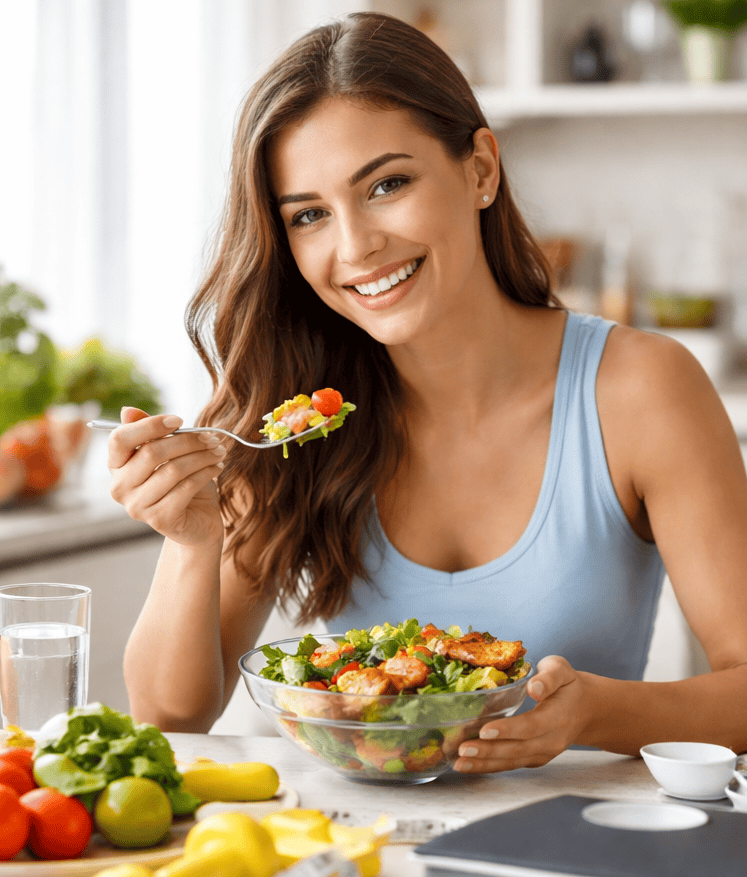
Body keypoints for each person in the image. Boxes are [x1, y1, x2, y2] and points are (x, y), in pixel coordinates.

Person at [108, 11, 747, 770]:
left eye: (386, 184)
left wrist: (594, 711)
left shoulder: (640, 388)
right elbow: (170, 712)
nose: (354, 247)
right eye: (309, 215)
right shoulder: (290, 418)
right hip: (349, 849)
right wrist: (190, 544)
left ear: (479, 169)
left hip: (569, 851)